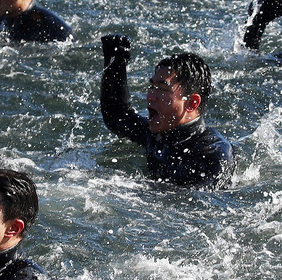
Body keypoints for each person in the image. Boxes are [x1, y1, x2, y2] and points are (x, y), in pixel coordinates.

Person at [98, 35, 233, 188]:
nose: (150, 96)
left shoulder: (213, 154)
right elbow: (117, 116)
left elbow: (196, 203)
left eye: (162, 89)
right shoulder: (157, 135)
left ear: (191, 103)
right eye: (151, 87)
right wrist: (116, 60)